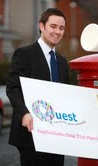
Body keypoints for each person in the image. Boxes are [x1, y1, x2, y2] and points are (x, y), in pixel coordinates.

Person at [6, 8, 69, 166]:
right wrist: (24, 114)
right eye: (53, 26)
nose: (57, 31)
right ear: (42, 26)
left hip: (56, 135)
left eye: (61, 28)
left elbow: (65, 95)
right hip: (31, 132)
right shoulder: (23, 54)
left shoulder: (61, 61)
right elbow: (13, 88)